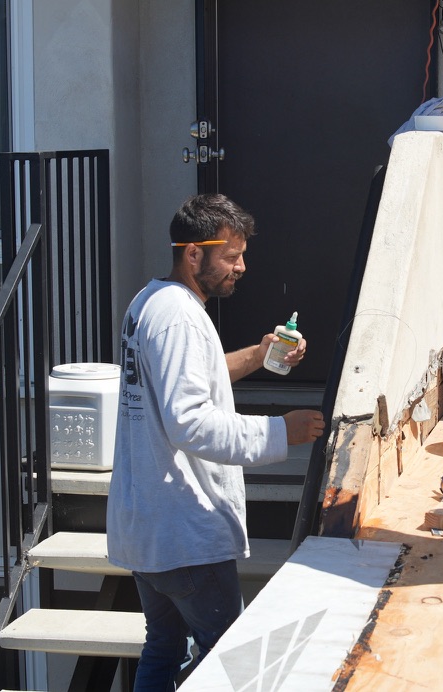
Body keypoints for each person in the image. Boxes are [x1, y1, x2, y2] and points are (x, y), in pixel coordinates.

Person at [107, 193, 326, 688]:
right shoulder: (181, 317)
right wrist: (279, 431)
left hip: (150, 527)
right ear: (193, 254)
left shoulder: (151, 301)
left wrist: (260, 353)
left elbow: (190, 379)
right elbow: (190, 422)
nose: (241, 267)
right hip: (185, 530)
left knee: (163, 650)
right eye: (230, 256)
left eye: (242, 255)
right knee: (230, 668)